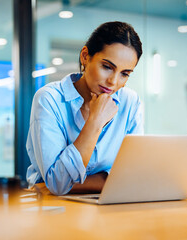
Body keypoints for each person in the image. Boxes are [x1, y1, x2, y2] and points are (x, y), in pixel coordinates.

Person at [26, 21, 143, 195]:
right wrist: (95, 122)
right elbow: (59, 183)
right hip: (55, 210)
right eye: (107, 67)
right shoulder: (49, 99)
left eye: (124, 74)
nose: (113, 82)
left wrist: (71, 185)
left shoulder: (130, 101)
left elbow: (135, 176)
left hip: (110, 206)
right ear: (85, 57)